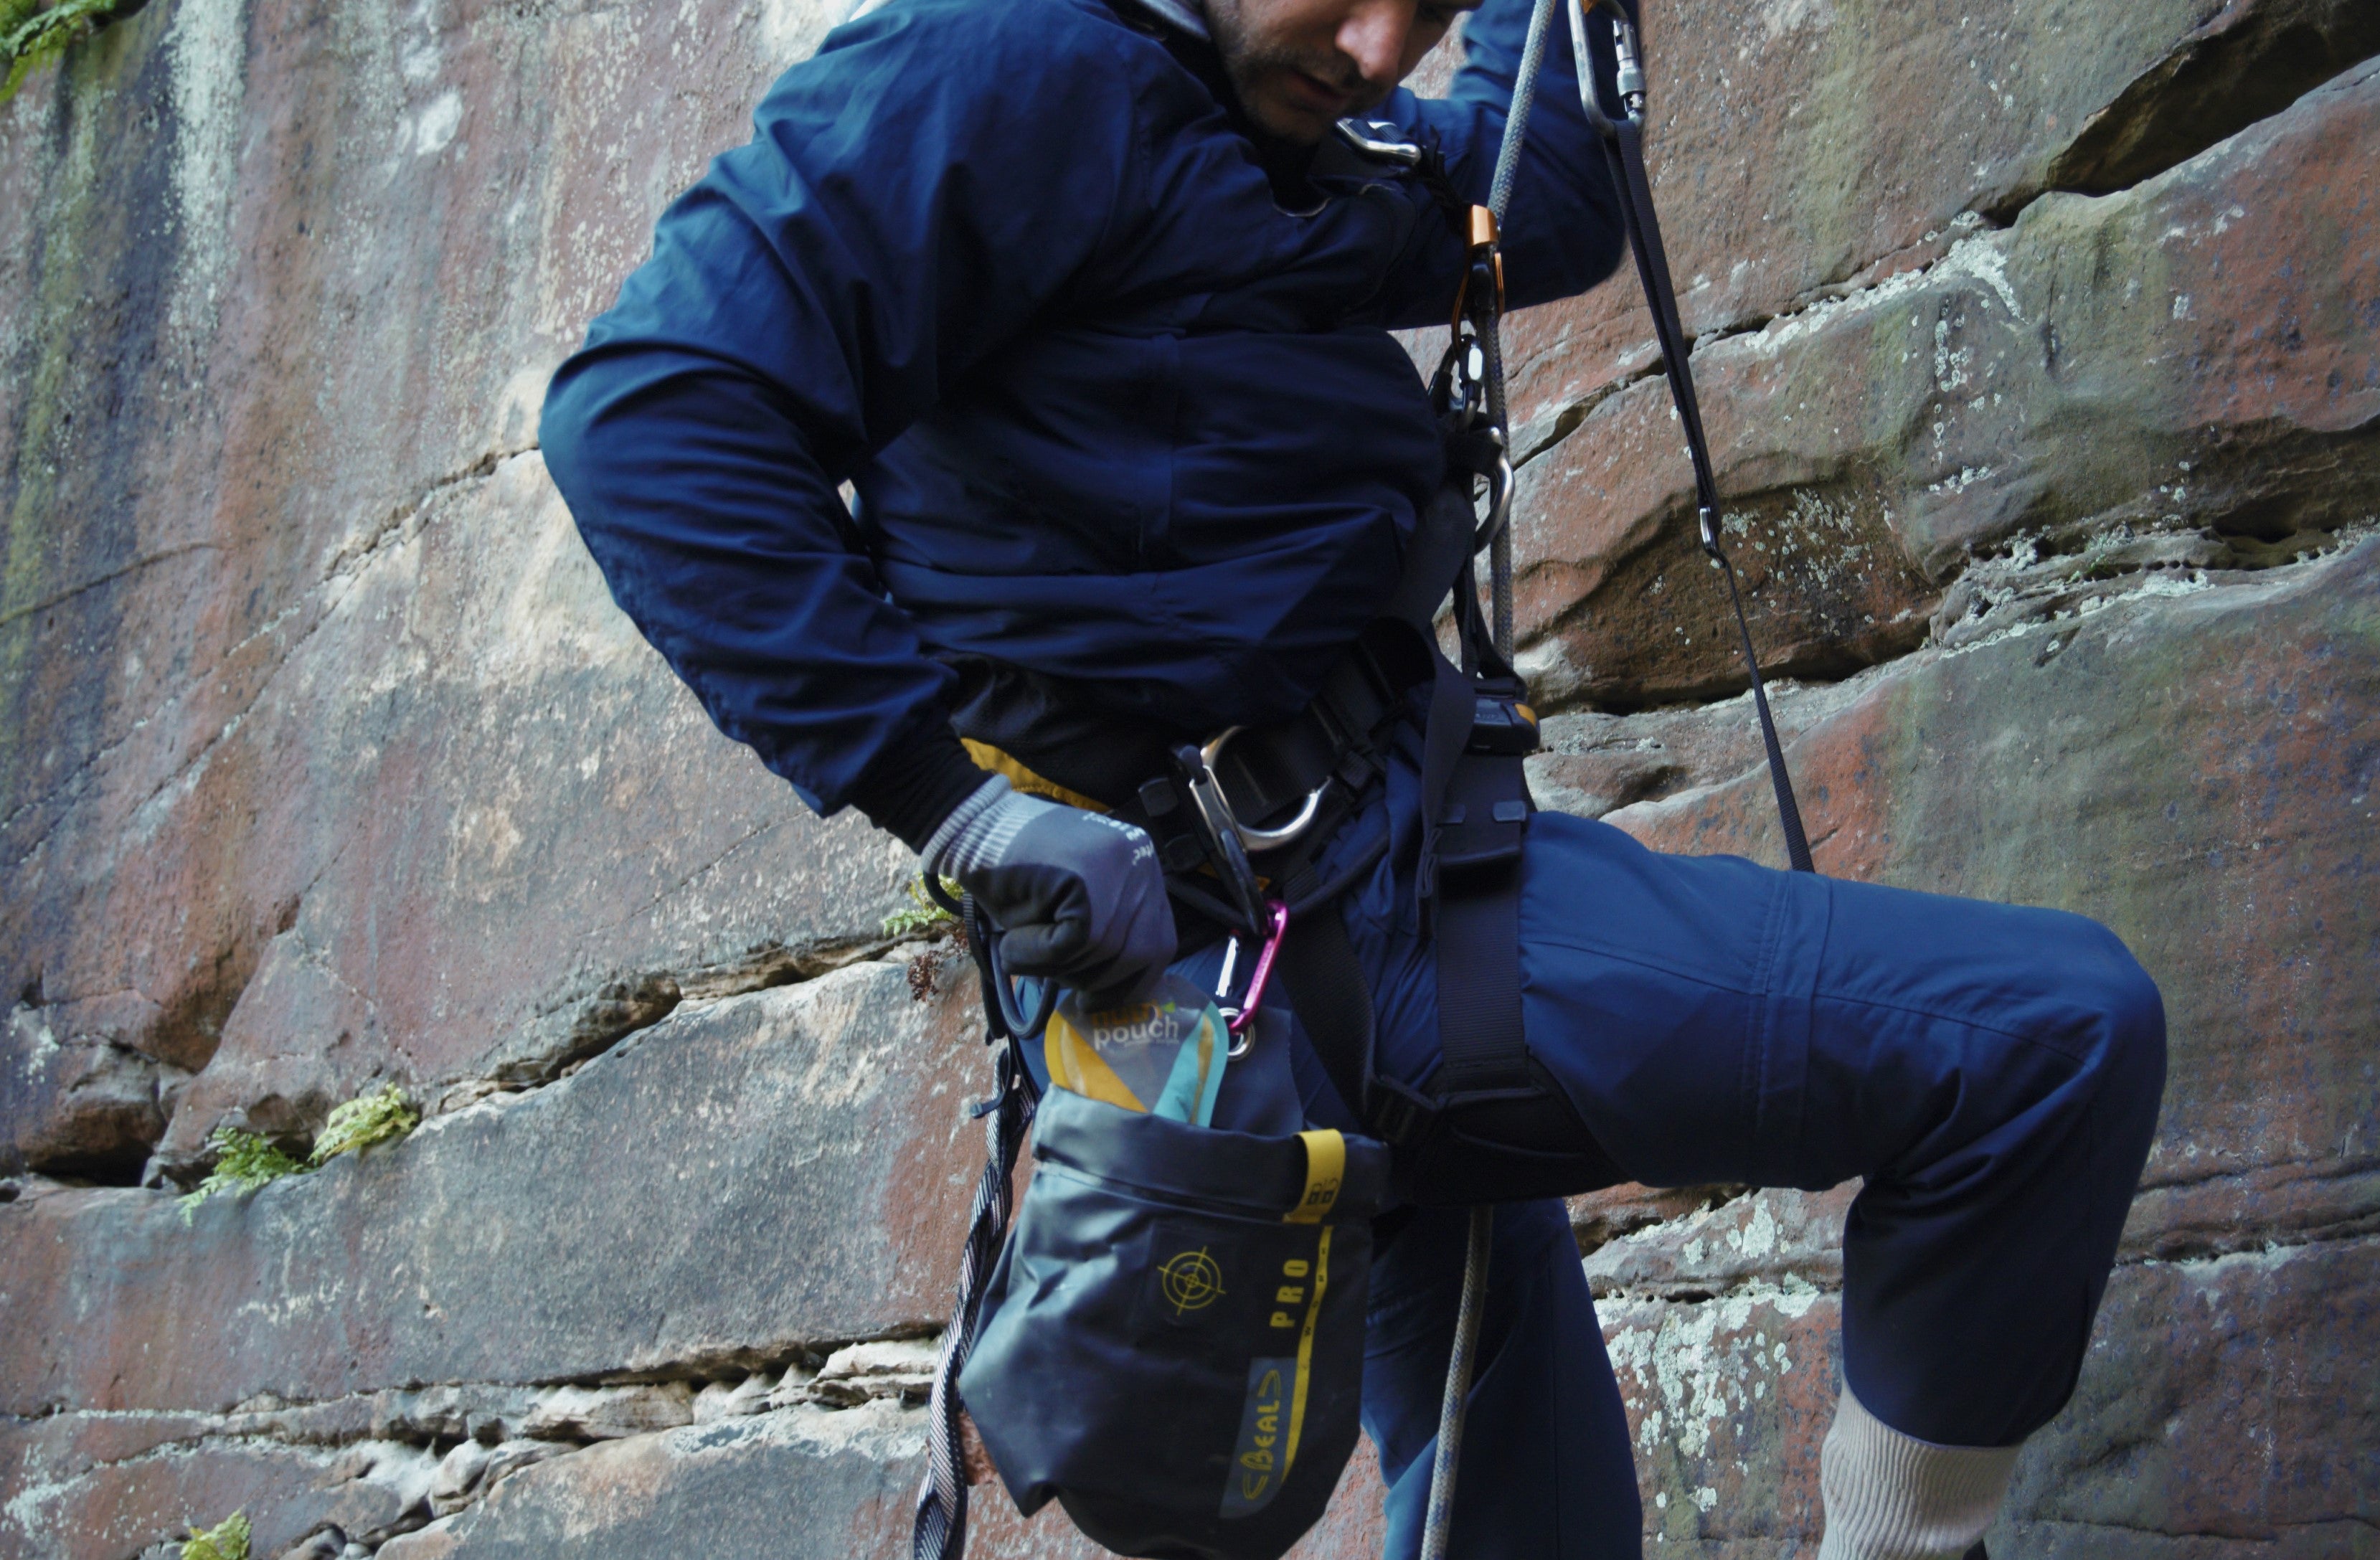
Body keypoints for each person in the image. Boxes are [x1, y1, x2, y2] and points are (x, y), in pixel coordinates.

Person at [539, 0, 2168, 1555]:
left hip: (1383, 889)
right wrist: (949, 802)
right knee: (2043, 1037)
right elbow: (652, 411)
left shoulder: (1283, 116)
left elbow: (1542, 194)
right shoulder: (1006, 72)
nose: (1386, 48)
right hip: (1272, 945)